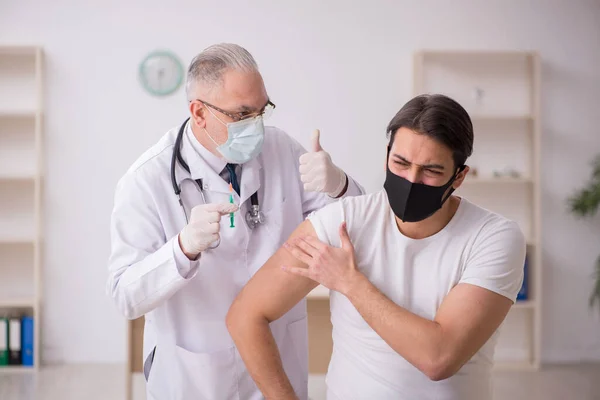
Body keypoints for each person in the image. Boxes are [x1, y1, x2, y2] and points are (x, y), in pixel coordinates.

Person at [106, 43, 365, 400]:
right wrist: (182, 249)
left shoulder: (282, 150)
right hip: (196, 374)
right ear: (198, 113)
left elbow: (354, 227)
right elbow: (125, 297)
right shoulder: (145, 181)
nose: (256, 127)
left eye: (262, 111)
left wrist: (340, 186)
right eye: (242, 115)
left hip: (277, 358)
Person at [226, 93, 527, 400]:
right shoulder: (342, 221)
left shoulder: (494, 237)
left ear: (459, 176)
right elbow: (245, 315)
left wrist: (350, 283)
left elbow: (439, 358)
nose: (411, 179)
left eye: (431, 171)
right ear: (386, 155)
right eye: (401, 162)